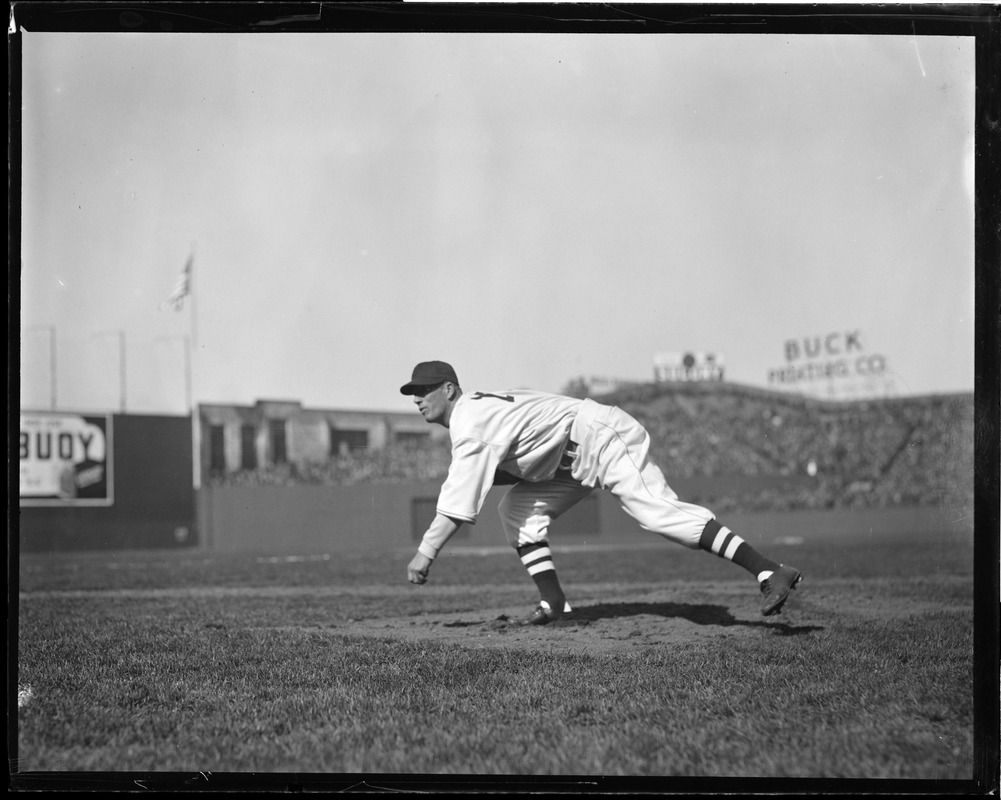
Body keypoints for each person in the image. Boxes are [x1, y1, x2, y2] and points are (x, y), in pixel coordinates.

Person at [401, 360, 802, 625]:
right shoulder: (477, 412)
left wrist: (426, 552)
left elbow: (457, 507)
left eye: (424, 389)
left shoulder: (469, 420)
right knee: (517, 512)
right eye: (412, 393)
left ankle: (769, 570)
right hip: (570, 456)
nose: (417, 398)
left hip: (598, 436)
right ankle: (554, 603)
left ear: (450, 389)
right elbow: (510, 464)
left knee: (659, 514)